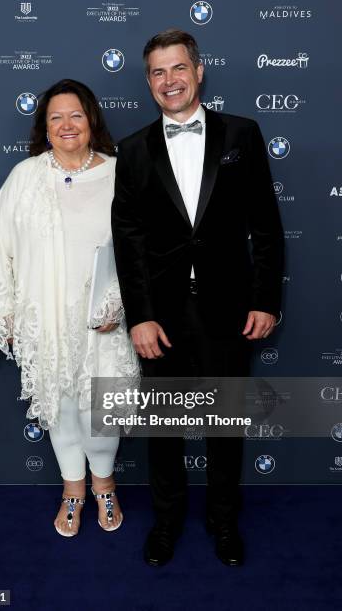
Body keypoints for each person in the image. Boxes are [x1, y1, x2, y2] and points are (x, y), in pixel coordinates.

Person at [112, 29, 284, 566]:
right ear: (148, 82)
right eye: (158, 72)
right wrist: (139, 316)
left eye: (178, 68)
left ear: (199, 71)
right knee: (163, 431)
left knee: (224, 426)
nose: (170, 81)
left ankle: (223, 523)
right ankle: (165, 525)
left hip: (229, 309)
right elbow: (129, 240)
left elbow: (267, 226)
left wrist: (265, 300)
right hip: (161, 316)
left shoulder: (242, 135)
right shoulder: (134, 149)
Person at [0, 79, 139, 537]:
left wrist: (122, 304)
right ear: (45, 128)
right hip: (43, 318)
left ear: (92, 122)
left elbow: (145, 248)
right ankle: (73, 491)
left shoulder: (122, 173)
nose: (67, 125)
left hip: (106, 319)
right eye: (55, 117)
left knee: (101, 408)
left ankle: (105, 485)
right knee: (61, 408)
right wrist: (6, 314)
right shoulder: (24, 177)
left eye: (76, 115)